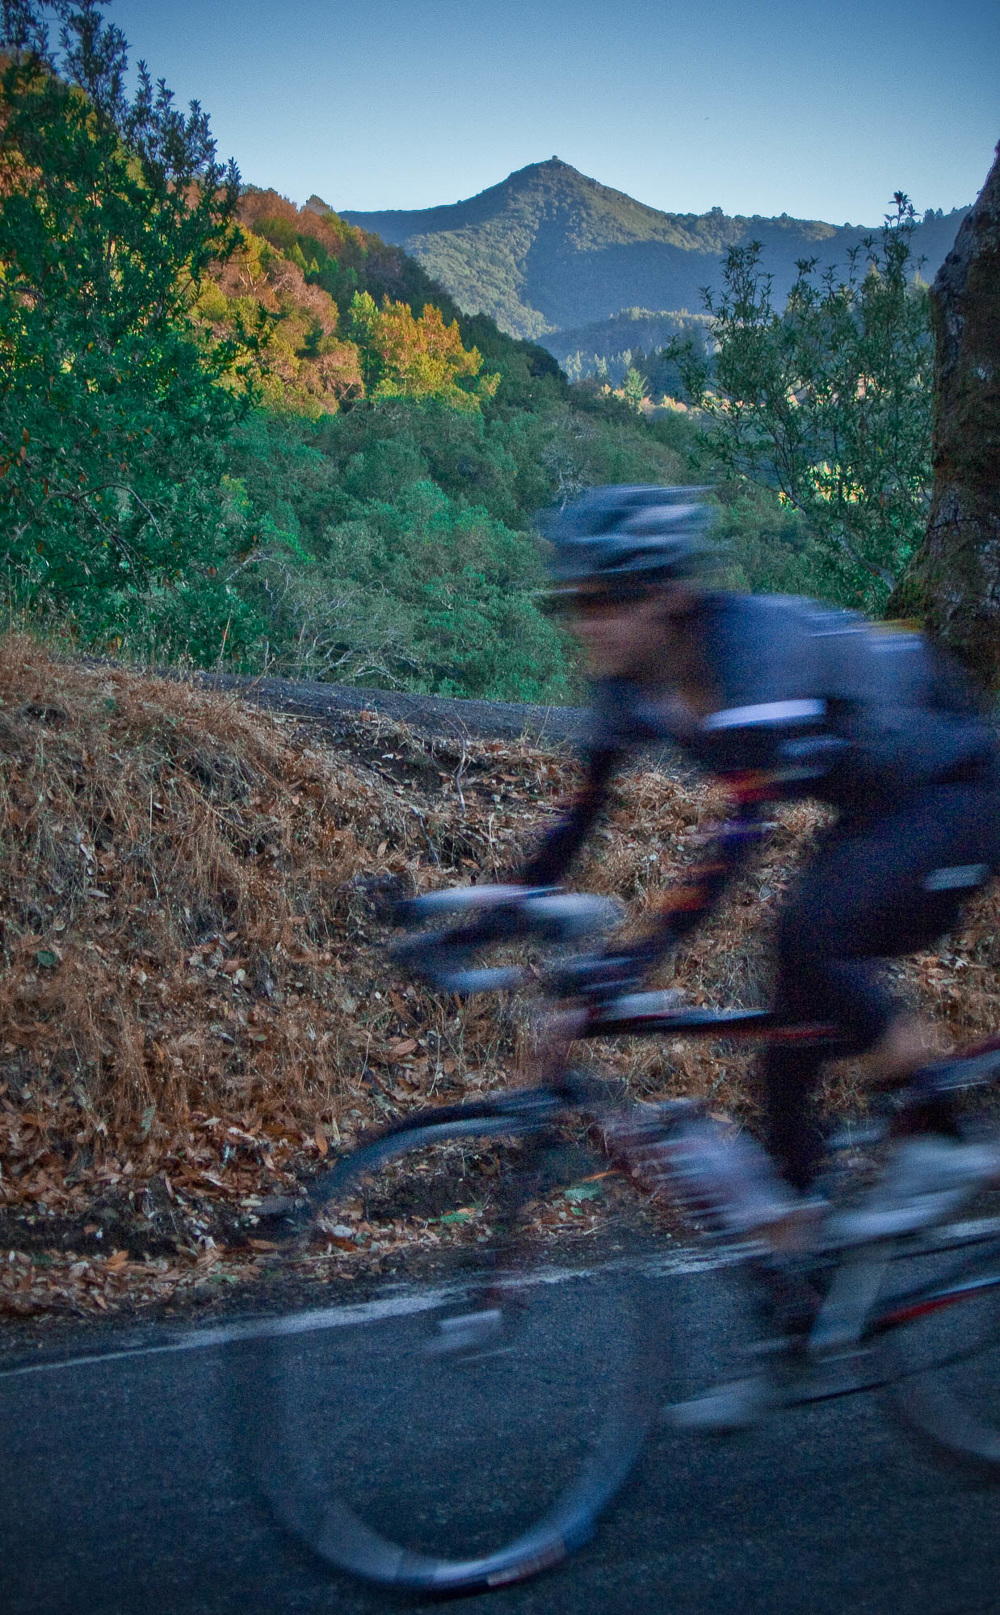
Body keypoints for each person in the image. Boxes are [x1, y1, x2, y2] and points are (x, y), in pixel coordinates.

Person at [517, 484, 1000, 1247]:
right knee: (788, 1028)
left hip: (959, 784)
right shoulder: (629, 684)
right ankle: (810, 1302)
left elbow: (735, 843)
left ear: (670, 596)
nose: (589, 622)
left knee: (811, 933)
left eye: (607, 600)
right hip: (876, 804)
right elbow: (576, 819)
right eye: (575, 602)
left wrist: (623, 968)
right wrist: (473, 919)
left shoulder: (748, 656)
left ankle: (938, 1135)